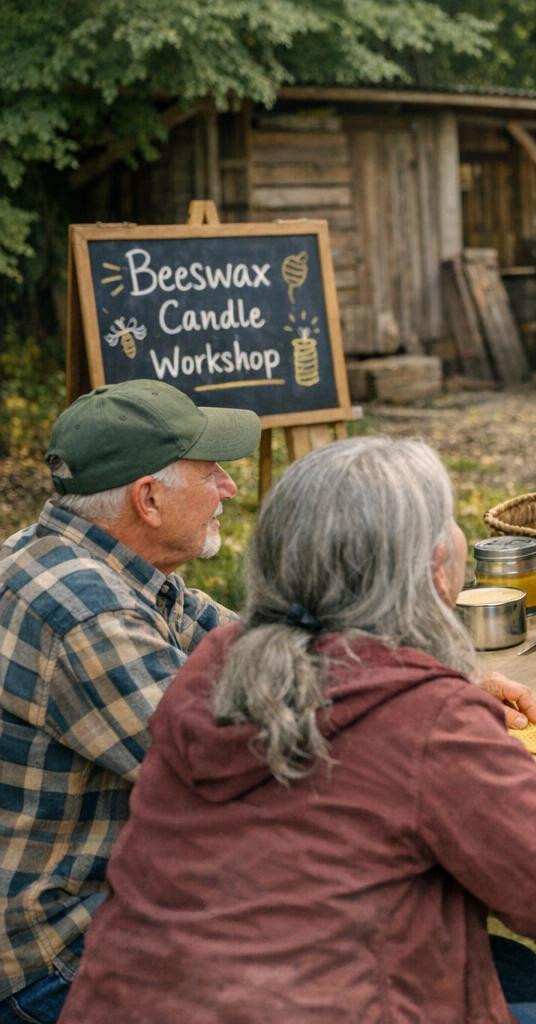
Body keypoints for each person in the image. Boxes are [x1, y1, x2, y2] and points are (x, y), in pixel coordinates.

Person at [59, 437, 536, 1024]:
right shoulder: (428, 719)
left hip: (137, 996)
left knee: (510, 972)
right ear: (432, 570)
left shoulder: (218, 661)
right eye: (447, 521)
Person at [0, 380, 259, 1024]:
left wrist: (418, 673)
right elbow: (239, 776)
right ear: (147, 498)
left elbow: (262, 643)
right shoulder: (90, 616)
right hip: (59, 964)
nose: (228, 487)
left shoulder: (79, 556)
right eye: (210, 472)